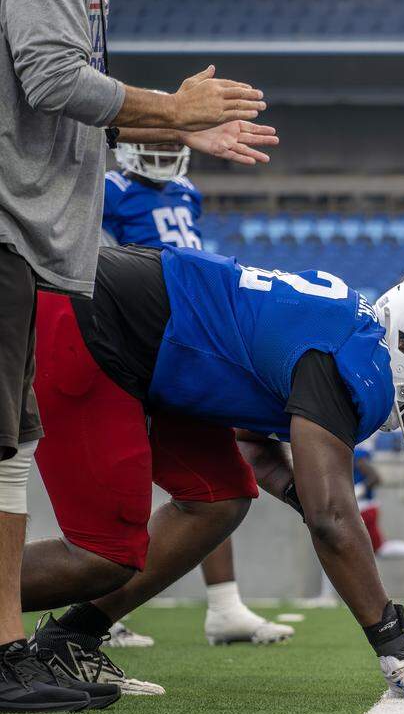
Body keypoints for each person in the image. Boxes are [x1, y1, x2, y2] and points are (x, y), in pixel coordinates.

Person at [21, 249, 404, 701]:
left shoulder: (341, 333)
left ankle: (69, 638)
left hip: (147, 337)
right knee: (103, 555)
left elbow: (249, 442)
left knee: (217, 499)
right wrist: (393, 642)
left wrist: (300, 495)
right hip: (100, 324)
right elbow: (332, 521)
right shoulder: (349, 359)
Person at [0, 0, 274, 712]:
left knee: (11, 450)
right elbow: (53, 81)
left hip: (43, 254)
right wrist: (174, 111)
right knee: (12, 457)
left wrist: (174, 126)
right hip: (41, 256)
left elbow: (56, 101)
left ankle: (9, 651)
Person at [100, 145, 293, 648]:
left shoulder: (187, 192)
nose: (162, 155)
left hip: (186, 329)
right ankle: (100, 609)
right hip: (134, 330)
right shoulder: (110, 189)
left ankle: (224, 606)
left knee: (217, 478)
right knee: (124, 473)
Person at [310, 446, 404, 606]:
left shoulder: (355, 452)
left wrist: (358, 490)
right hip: (365, 507)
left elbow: (375, 477)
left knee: (332, 545)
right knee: (380, 549)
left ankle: (327, 596)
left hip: (361, 508)